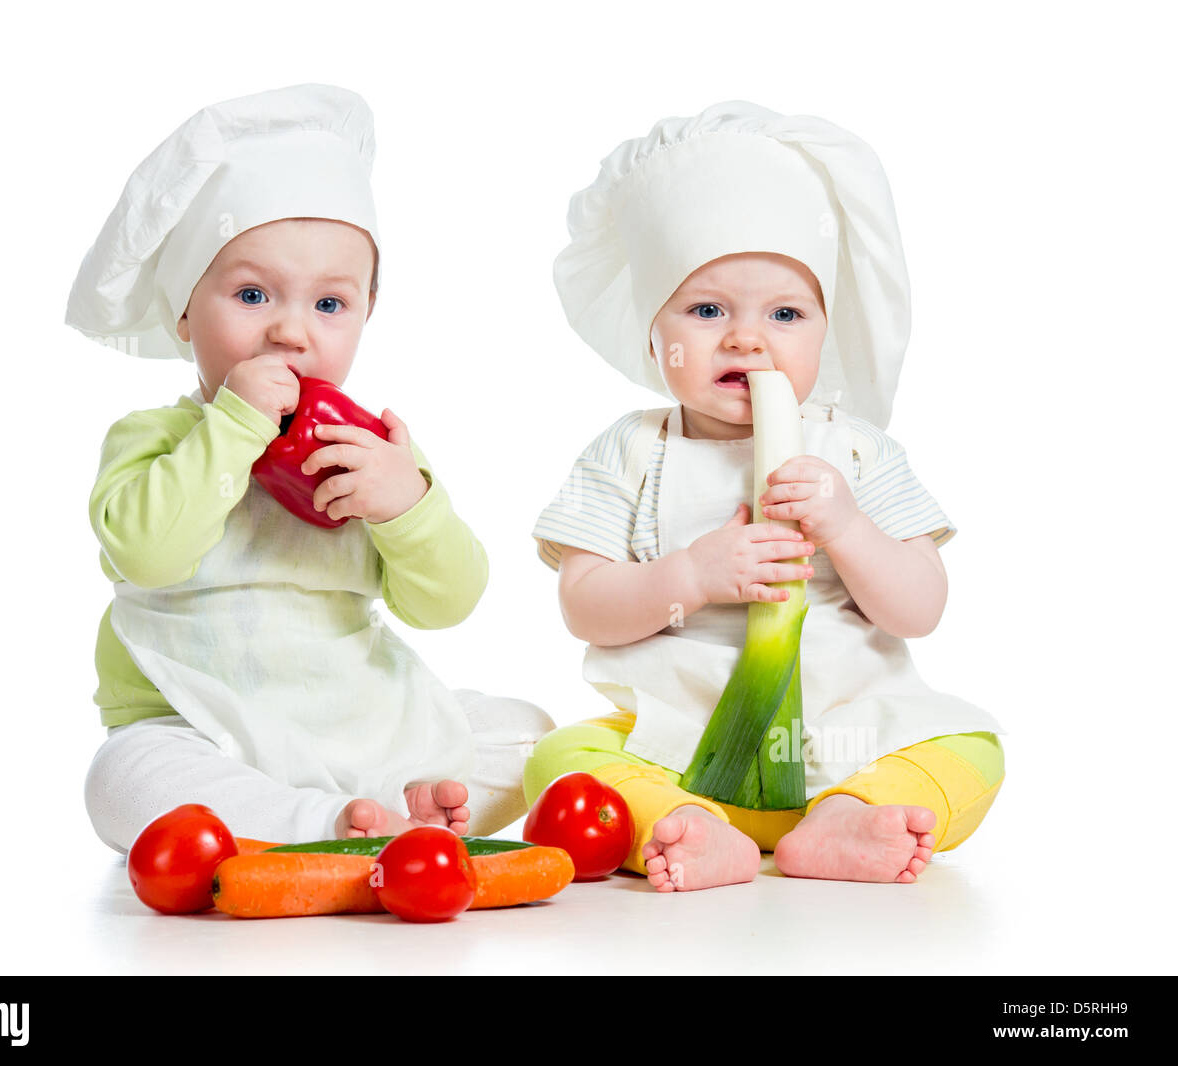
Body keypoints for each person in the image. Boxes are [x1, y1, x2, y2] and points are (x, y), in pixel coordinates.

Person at [528, 101, 1005, 888]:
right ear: (655, 334)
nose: (746, 339)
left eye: (785, 313)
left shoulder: (856, 451)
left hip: (848, 744)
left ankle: (845, 822)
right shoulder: (630, 449)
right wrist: (691, 576)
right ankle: (691, 831)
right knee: (561, 758)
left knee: (973, 749)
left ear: (827, 330)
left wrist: (847, 528)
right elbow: (585, 606)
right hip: (675, 745)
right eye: (707, 310)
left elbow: (919, 608)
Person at [68, 84, 552, 854]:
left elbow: (448, 603)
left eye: (330, 305)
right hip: (195, 726)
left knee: (529, 736)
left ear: (366, 312)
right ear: (185, 311)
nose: (291, 331)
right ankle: (329, 824)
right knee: (121, 780)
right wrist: (233, 426)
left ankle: (383, 807)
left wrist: (405, 505)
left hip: (349, 717)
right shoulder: (153, 437)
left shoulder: (374, 447)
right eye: (253, 294)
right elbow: (147, 554)